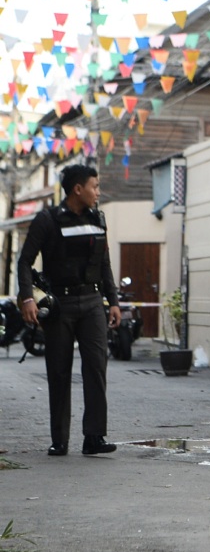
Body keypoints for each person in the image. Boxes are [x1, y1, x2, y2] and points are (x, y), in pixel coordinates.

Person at [18, 164, 122, 457]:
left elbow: (104, 264)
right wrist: (27, 298)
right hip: (60, 305)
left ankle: (94, 437)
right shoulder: (47, 220)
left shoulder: (98, 218)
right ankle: (59, 440)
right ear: (78, 189)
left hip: (92, 304)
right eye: (95, 186)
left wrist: (113, 301)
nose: (98, 192)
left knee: (96, 370)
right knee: (59, 371)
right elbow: (24, 261)